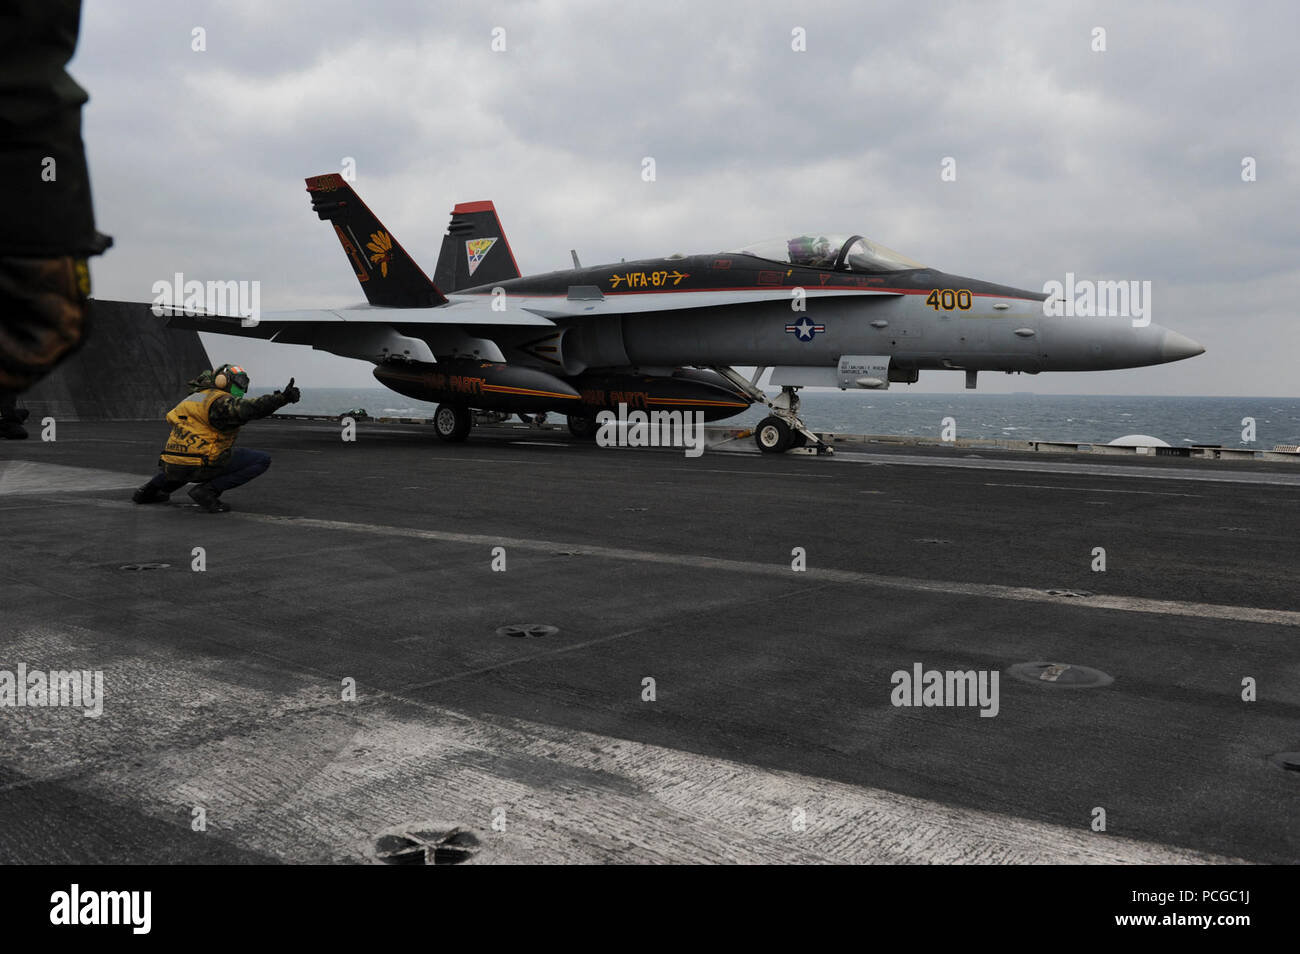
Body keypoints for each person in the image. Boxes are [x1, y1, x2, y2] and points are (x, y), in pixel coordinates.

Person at [132, 365, 300, 513]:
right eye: (238, 382)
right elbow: (250, 409)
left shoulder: (192, 398)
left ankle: (147, 491)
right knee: (261, 460)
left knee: (183, 462)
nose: (241, 388)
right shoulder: (219, 401)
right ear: (222, 381)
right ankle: (208, 491)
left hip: (171, 463)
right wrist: (281, 399)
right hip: (203, 464)